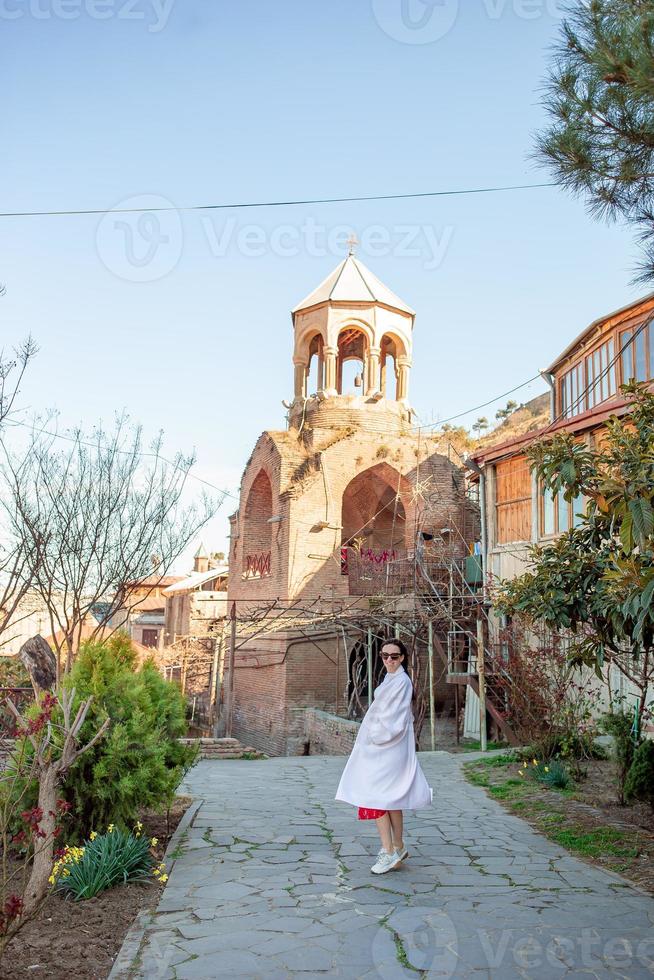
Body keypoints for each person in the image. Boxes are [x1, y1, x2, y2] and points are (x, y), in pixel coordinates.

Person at [335, 638, 432, 874]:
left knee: (374, 795)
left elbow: (393, 720)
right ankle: (398, 846)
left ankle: (388, 852)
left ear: (403, 657)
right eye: (385, 655)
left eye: (394, 656)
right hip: (387, 747)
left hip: (386, 747)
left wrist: (373, 739)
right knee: (390, 798)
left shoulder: (401, 682)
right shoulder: (392, 678)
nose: (389, 660)